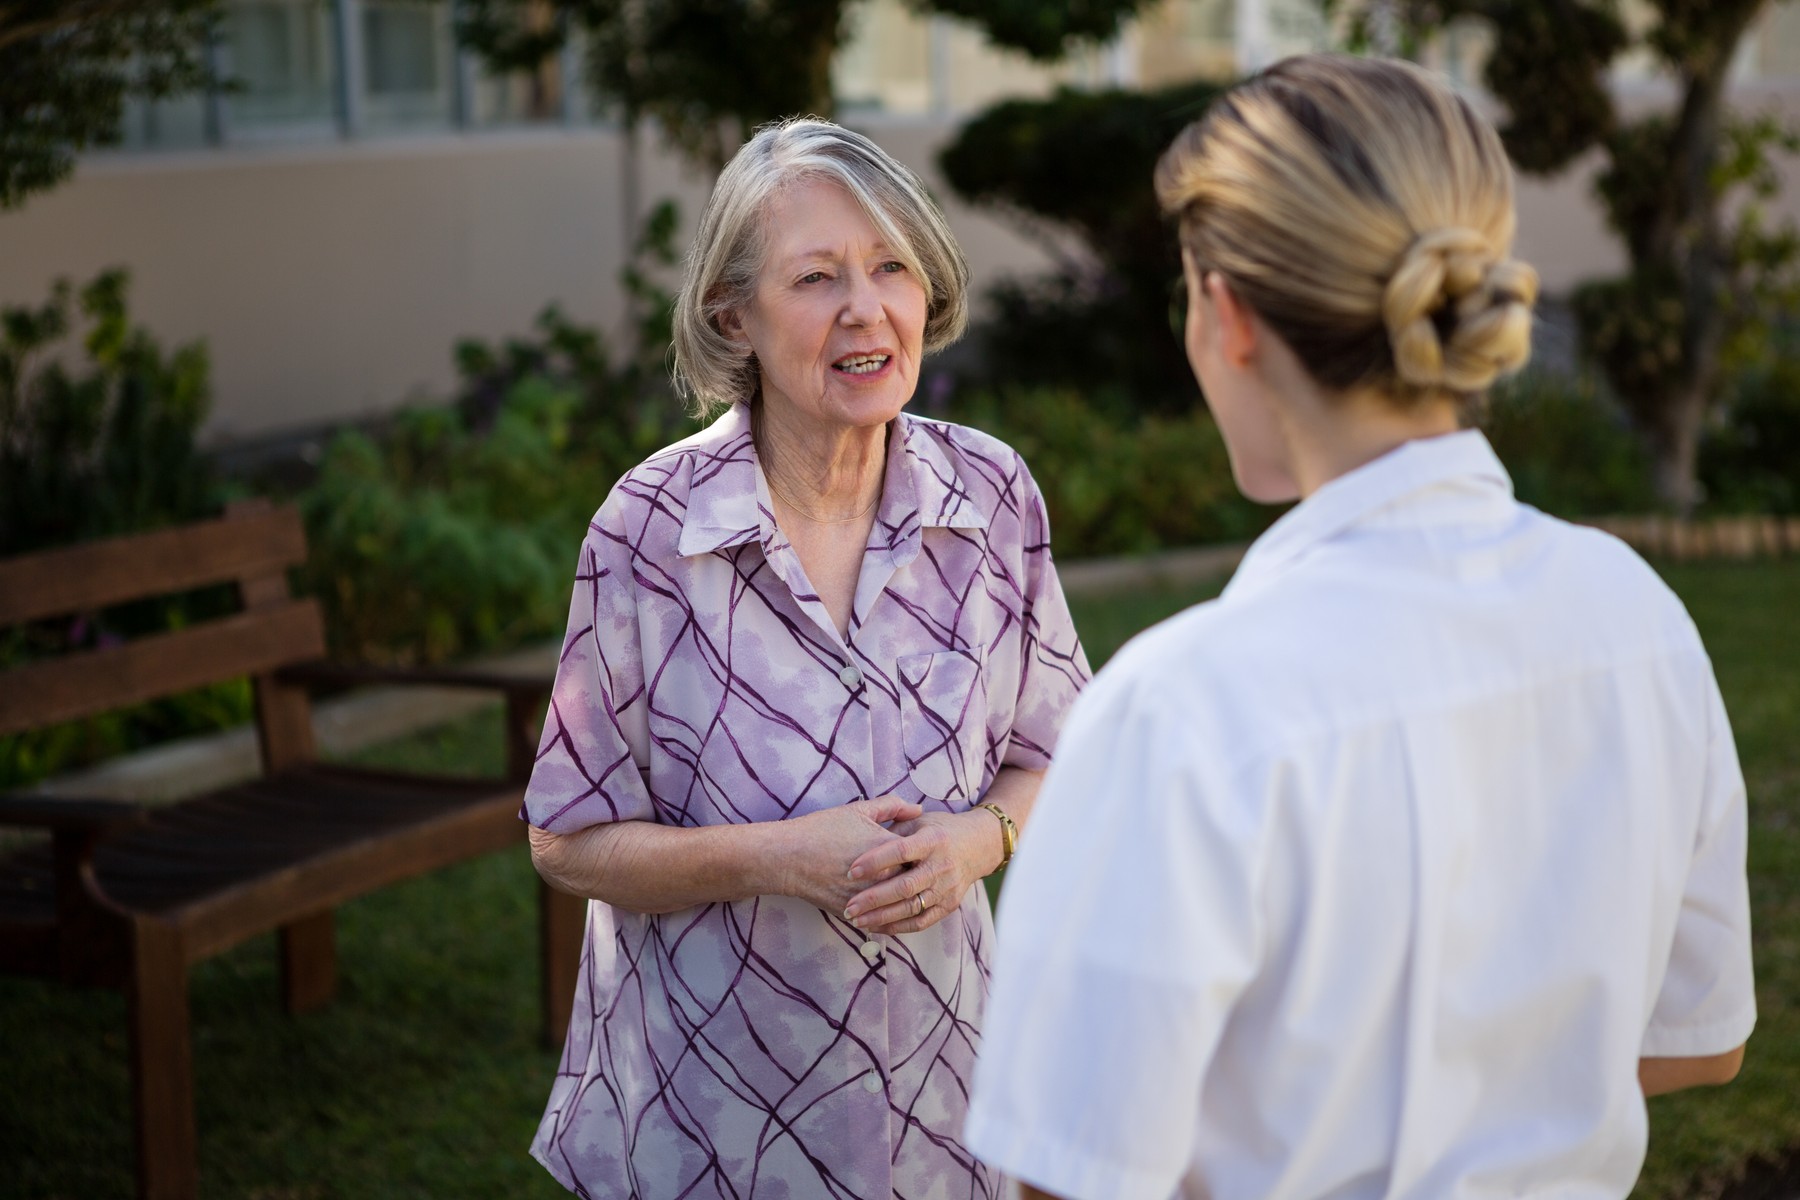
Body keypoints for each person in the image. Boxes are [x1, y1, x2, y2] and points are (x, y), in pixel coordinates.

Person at [965, 53, 1754, 1200]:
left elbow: (1069, 1177)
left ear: (1227, 316)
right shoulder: (1639, 619)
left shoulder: (1177, 711)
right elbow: (1703, 1040)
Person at [519, 117, 1090, 1199]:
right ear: (734, 315)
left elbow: (1059, 750)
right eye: (815, 277)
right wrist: (779, 857)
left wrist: (981, 837)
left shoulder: (993, 497)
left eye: (890, 269)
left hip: (942, 1091)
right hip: (710, 1113)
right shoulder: (649, 526)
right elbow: (568, 842)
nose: (865, 309)